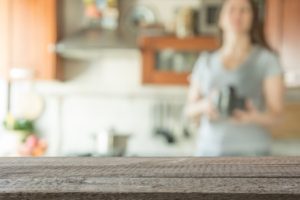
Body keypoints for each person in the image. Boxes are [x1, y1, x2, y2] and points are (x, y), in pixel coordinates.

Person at [185, 0, 285, 156]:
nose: (237, 15)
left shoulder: (267, 60)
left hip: (253, 155)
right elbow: (189, 109)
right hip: (208, 153)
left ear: (253, 18)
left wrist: (253, 117)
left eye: (244, 10)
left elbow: (278, 116)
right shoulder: (205, 61)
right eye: (231, 9)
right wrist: (206, 105)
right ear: (220, 19)